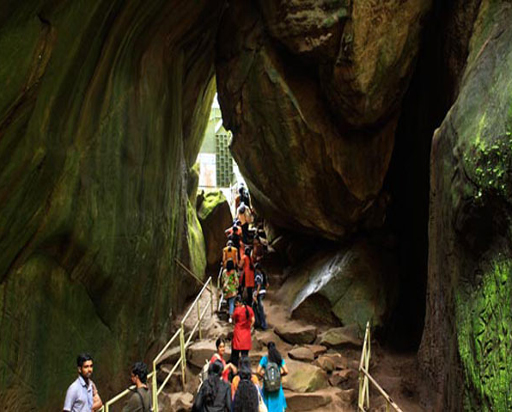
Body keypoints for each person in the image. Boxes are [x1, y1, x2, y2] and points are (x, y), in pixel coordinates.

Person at [257, 343, 288, 412]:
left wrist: (264, 375)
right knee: (278, 405)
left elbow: (258, 370)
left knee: (267, 404)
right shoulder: (278, 358)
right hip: (277, 385)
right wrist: (279, 375)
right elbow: (286, 371)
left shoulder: (265, 359)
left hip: (267, 385)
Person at [231, 295, 255, 369]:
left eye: (236, 303)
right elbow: (253, 320)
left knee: (235, 354)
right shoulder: (249, 309)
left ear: (238, 302)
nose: (235, 305)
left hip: (238, 334)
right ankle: (245, 371)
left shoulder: (237, 310)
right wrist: (249, 327)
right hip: (246, 334)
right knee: (245, 356)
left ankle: (235, 371)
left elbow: (233, 320)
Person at [253, 264, 268, 330]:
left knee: (258, 307)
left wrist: (256, 293)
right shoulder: (263, 274)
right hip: (263, 291)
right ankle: (261, 323)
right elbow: (267, 284)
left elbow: (258, 284)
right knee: (259, 307)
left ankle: (262, 324)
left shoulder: (257, 274)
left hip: (259, 292)